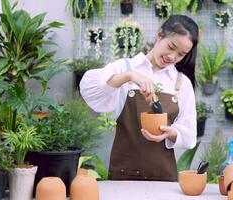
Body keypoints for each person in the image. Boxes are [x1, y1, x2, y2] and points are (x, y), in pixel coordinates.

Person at [80, 15, 198, 182]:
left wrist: (169, 133)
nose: (172, 57)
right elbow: (91, 88)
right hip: (123, 176)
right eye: (171, 47)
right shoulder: (125, 67)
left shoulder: (181, 82)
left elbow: (189, 134)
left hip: (163, 179)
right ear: (159, 35)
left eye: (181, 54)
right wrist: (128, 76)